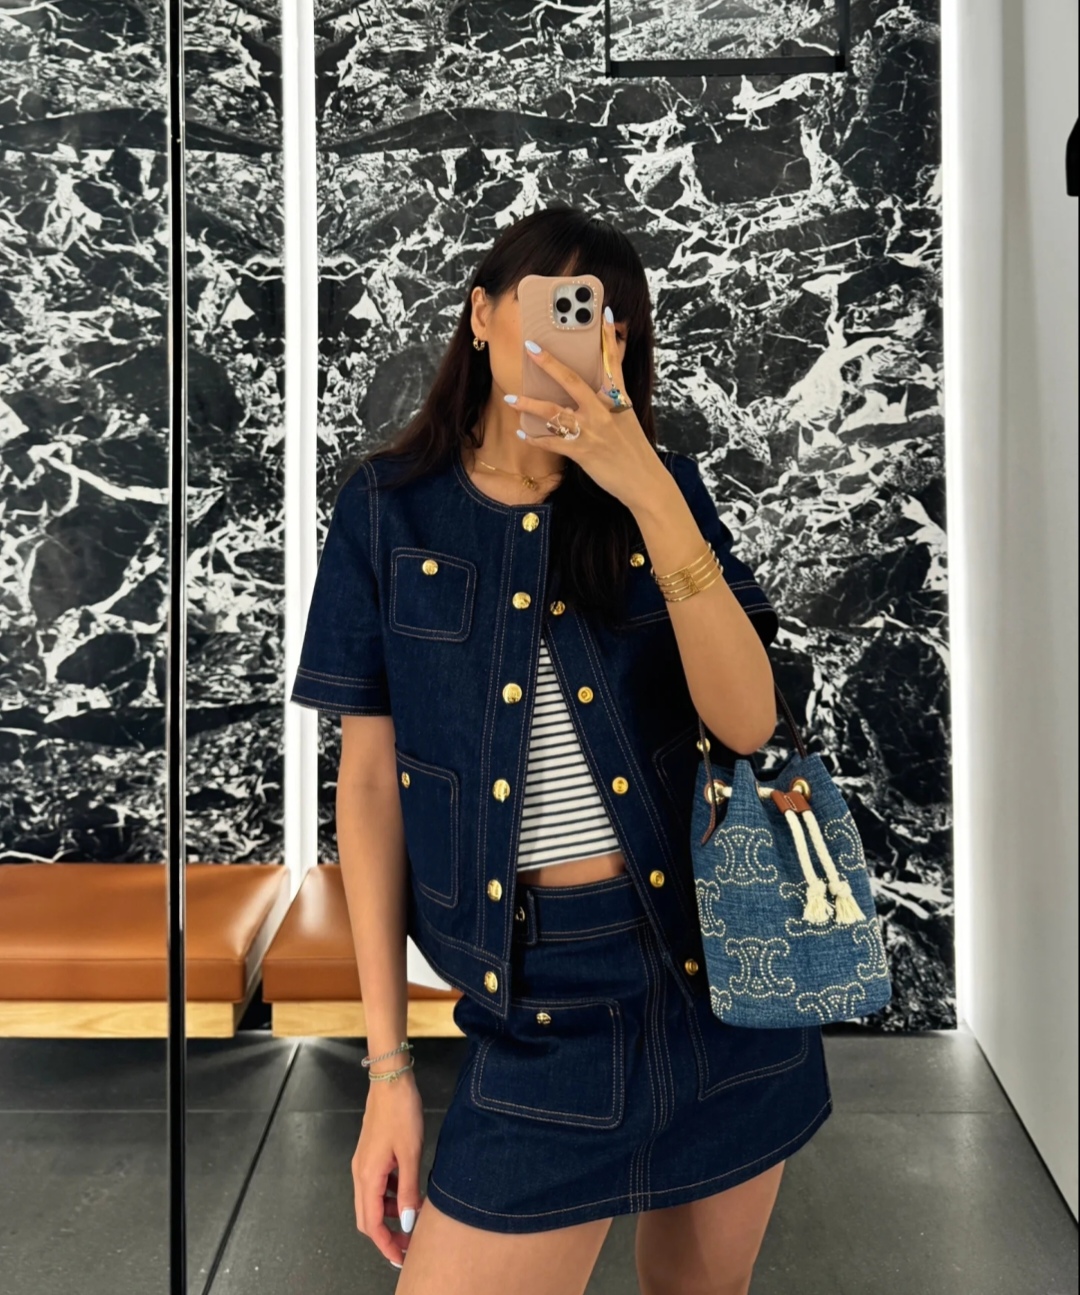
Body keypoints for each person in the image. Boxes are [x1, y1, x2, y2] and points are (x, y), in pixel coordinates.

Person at [289, 206, 833, 1295]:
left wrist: (647, 489)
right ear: (483, 315)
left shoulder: (661, 491)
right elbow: (369, 788)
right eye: (557, 304)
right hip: (541, 998)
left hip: (723, 970)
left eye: (607, 322)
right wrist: (388, 1069)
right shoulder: (388, 511)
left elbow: (748, 725)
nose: (582, 336)